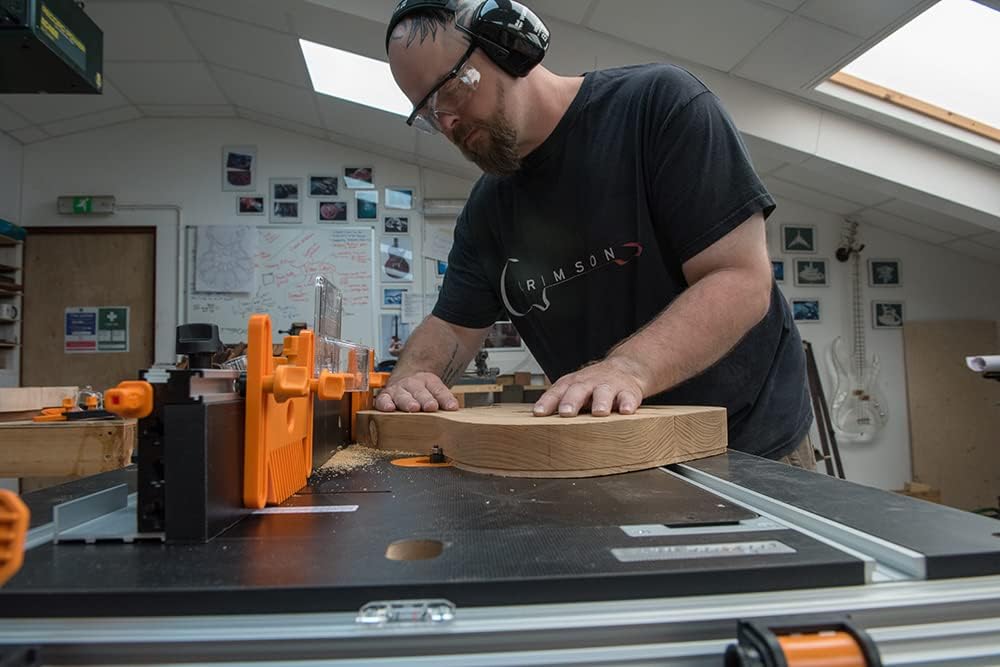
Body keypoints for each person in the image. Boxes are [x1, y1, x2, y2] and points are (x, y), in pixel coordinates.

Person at [376, 0, 814, 463]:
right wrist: (413, 375)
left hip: (751, 447)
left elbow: (740, 279)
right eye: (427, 113)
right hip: (616, 454)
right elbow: (452, 325)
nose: (447, 121)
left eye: (451, 90)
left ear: (510, 46)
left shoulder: (657, 107)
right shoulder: (487, 210)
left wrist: (627, 368)